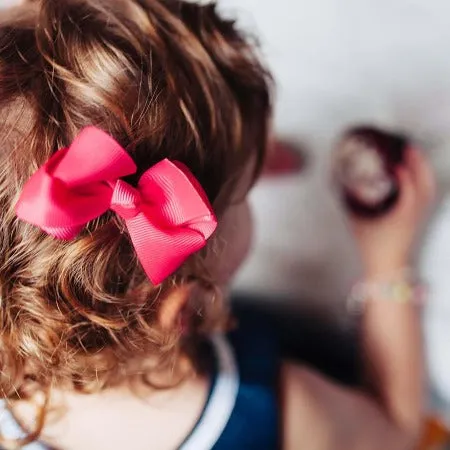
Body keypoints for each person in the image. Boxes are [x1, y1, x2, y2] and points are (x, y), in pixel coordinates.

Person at [0, 0, 435, 449]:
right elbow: (398, 429)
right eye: (243, 195)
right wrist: (387, 262)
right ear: (187, 306)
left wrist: (231, 155)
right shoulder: (287, 413)